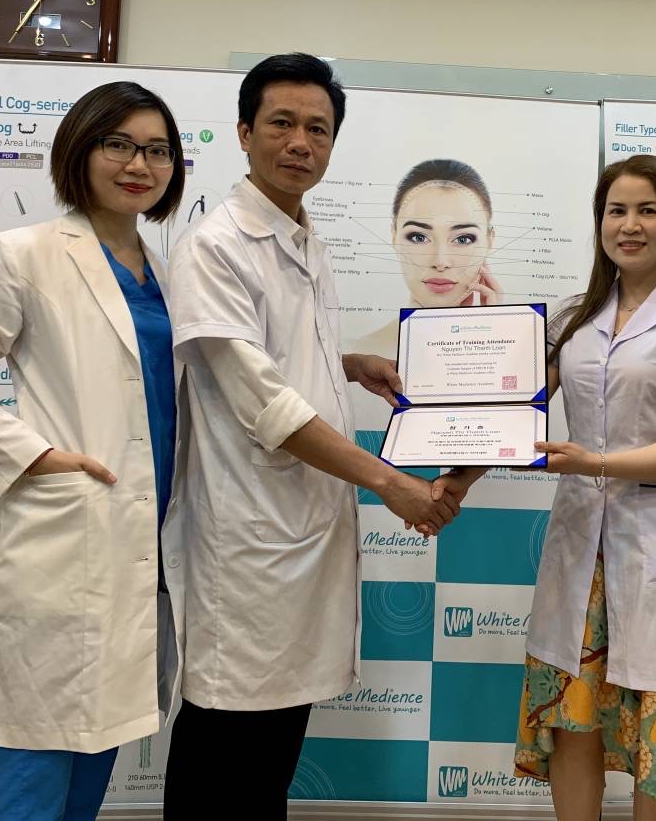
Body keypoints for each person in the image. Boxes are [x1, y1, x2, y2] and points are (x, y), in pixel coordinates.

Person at [161, 53, 461, 819]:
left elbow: (280, 356)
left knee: (269, 763)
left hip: (301, 537)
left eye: (318, 129)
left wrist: (350, 363)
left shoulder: (303, 238)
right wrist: (392, 483)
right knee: (223, 753)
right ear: (244, 132)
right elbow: (263, 402)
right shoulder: (216, 246)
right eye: (282, 124)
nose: (300, 142)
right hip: (249, 541)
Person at [443, 153, 656, 818]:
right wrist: (454, 481)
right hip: (581, 554)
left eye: (647, 210)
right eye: (617, 211)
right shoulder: (573, 318)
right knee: (572, 717)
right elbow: (513, 416)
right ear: (599, 222)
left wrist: (595, 463)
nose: (629, 225)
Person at [0, 81, 187, 820]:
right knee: (29, 767)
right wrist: (39, 458)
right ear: (80, 149)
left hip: (144, 547)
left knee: (91, 763)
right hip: (65, 534)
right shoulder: (24, 254)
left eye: (158, 150)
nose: (140, 164)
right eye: (119, 144)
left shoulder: (167, 274)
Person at [352, 158, 502, 354]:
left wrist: (492, 337)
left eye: (463, 239)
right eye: (419, 237)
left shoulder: (515, 350)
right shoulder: (355, 354)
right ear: (394, 235)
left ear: (490, 240)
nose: (440, 262)